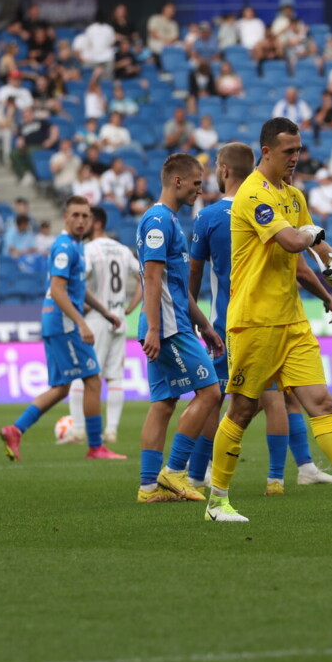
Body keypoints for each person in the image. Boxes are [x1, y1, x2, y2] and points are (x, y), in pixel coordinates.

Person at [204, 118, 332, 522]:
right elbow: (294, 240)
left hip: (291, 321)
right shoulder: (251, 195)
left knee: (321, 403)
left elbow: (310, 243)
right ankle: (217, 502)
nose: (295, 158)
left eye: (298, 150)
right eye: (288, 152)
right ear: (266, 152)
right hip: (254, 321)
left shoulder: (293, 195)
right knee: (242, 410)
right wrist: (315, 240)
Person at [188, 143, 332, 495]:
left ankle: (199, 473)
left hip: (231, 320)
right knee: (262, 399)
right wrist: (326, 295)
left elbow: (193, 275)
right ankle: (275, 475)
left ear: (224, 170)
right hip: (263, 319)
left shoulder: (209, 217)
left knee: (230, 397)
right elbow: (301, 266)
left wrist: (193, 315)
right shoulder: (270, 206)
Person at [0, 197, 124, 462]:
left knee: (63, 387)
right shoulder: (65, 247)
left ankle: (15, 430)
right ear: (65, 217)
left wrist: (103, 312)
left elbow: (77, 287)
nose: (81, 221)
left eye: (85, 216)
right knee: (92, 378)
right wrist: (81, 323)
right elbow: (57, 290)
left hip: (56, 323)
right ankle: (95, 446)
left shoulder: (77, 246)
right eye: (76, 215)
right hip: (64, 324)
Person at [133, 154, 225, 504]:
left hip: (172, 323)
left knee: (164, 402)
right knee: (211, 393)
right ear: (177, 182)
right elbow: (153, 278)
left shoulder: (167, 221)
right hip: (168, 327)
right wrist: (156, 329)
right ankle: (174, 471)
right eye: (197, 183)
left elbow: (175, 285)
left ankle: (148, 488)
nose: (200, 190)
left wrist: (204, 324)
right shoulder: (158, 221)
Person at [78, 206, 142, 446]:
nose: (82, 223)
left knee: (86, 376)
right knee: (115, 378)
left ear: (97, 223)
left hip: (97, 318)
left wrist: (82, 309)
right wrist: (131, 307)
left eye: (86, 219)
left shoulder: (89, 250)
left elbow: (78, 282)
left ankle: (77, 428)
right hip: (120, 317)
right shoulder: (123, 250)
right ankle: (112, 430)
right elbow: (143, 277)